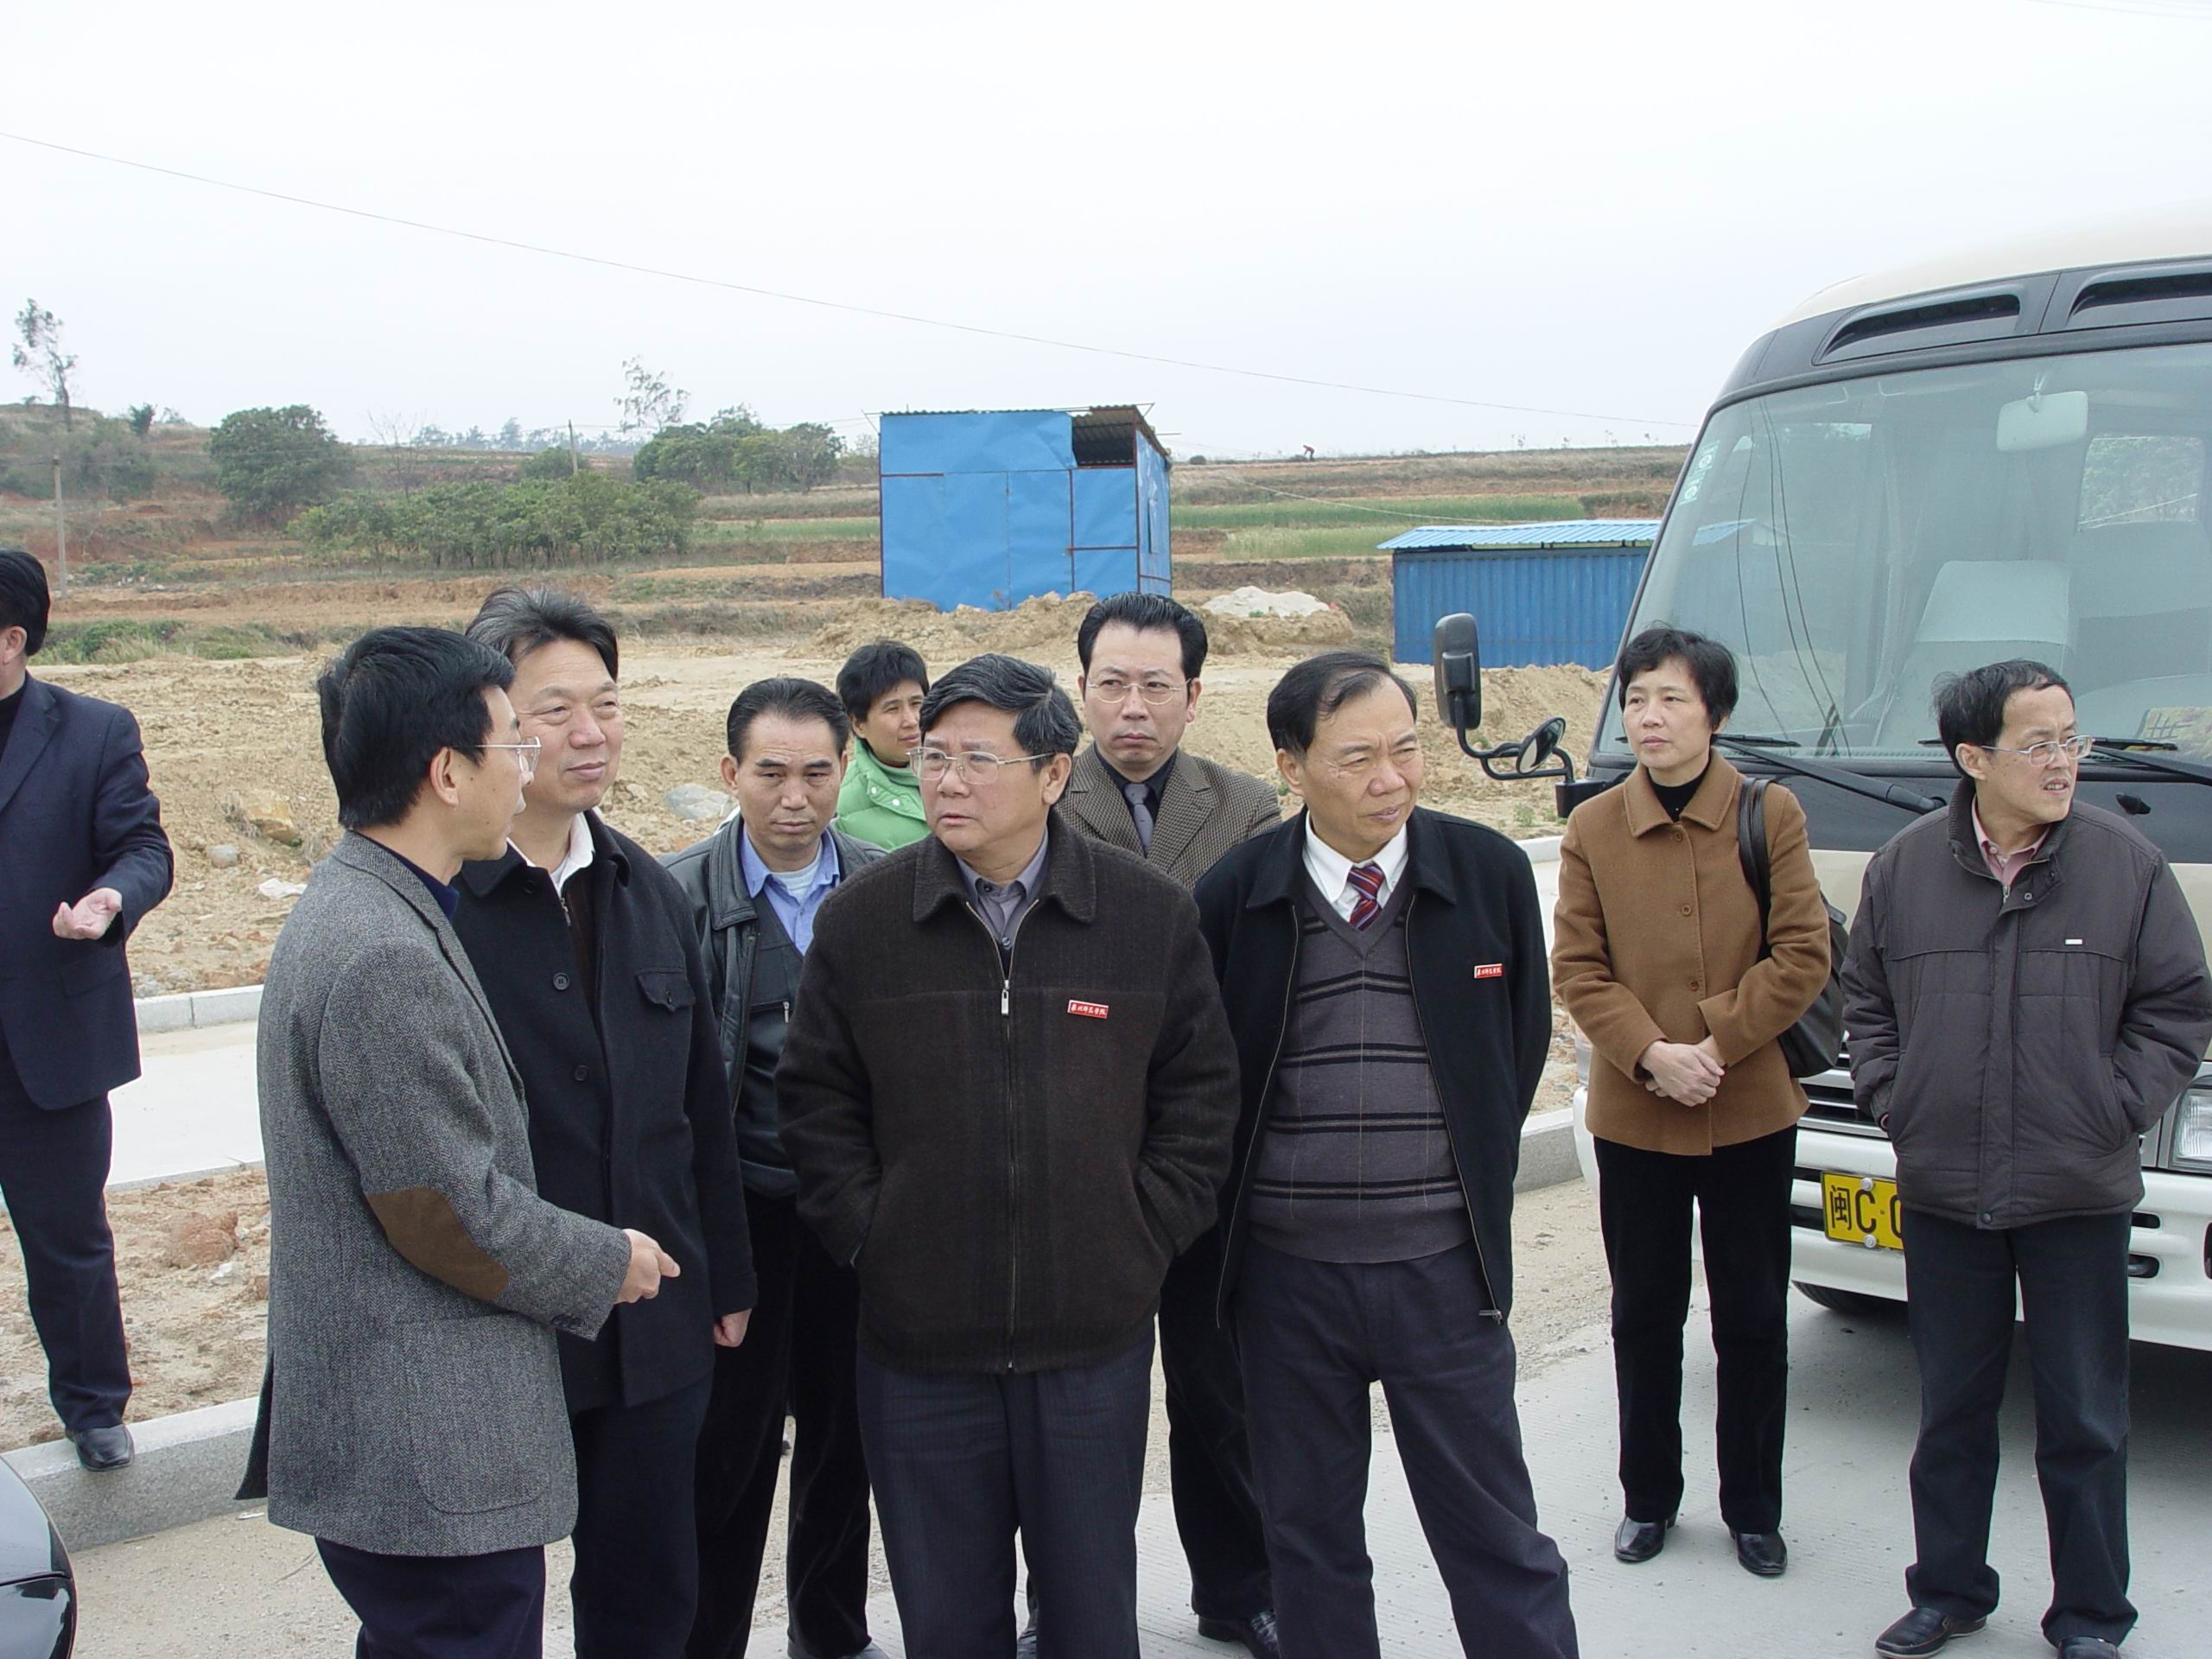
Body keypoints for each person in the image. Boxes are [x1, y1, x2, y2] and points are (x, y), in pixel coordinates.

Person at [779, 653, 1240, 1659]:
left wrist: (1138, 1237)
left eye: (978, 759)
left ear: (1053, 774)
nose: (947, 781)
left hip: (1090, 1344)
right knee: (948, 1621)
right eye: (933, 757)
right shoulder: (863, 920)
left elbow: (1200, 1101)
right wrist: (873, 1237)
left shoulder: (1144, 914)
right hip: (917, 1345)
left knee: (1088, 1616)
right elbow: (815, 1103)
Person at [242, 626, 682, 1659]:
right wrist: (607, 1260)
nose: (527, 769)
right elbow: (443, 1211)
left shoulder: (377, 906)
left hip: (419, 1451)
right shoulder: (380, 953)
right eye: (513, 744)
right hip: (428, 1445)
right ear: (447, 773)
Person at [1192, 649, 1578, 1659]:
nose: (1390, 778)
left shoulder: (1486, 874)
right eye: (1356, 757)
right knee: (1309, 1539)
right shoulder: (1235, 895)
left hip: (1442, 1272)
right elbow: (1210, 1078)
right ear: (1291, 767)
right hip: (1287, 1281)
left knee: (1494, 1531)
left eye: (1405, 750)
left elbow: (1513, 1049)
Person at [1843, 660, 2212, 1659]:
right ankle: (1948, 1591)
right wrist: (1893, 1099)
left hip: (2075, 1190)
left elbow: (2177, 1008)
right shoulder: (1904, 869)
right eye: (2038, 743)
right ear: (1973, 758)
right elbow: (1864, 1003)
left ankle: (2090, 1615)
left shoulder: (2126, 865)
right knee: (1950, 1414)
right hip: (1944, 1190)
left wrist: (2114, 1108)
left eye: (2070, 739)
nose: (2064, 762)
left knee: (2084, 1419)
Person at [449, 588, 757, 1659]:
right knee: (476, 1609)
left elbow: (701, 1105)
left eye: (608, 704)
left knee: (648, 1592)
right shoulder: (435, 903)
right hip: (498, 1321)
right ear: (488, 724)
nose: (590, 734)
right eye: (554, 710)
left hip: (652, 1313)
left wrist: (724, 1280)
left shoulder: (649, 890)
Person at [1550, 626, 1829, 1580]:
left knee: (1750, 1316)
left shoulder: (1769, 813)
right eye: (1635, 699)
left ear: (1715, 712)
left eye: (1670, 698)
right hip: (1636, 1117)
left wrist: (1714, 1045)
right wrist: (1649, 1055)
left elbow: (1802, 953)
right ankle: (1648, 1499)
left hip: (1749, 1108)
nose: (1649, 717)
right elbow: (1577, 969)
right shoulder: (1593, 827)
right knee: (1643, 1314)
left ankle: (1753, 1508)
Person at [1054, 590, 1281, 1657]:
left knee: (1218, 1385)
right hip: (1070, 1144)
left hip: (1204, 1146)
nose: (1132, 708)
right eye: (1112, 684)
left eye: (1156, 686)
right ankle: (1067, 1604)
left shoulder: (1244, 809)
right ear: (1081, 690)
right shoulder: (1037, 797)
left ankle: (1241, 1591)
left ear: (1194, 694)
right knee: (1068, 1403)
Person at [664, 677, 887, 1659]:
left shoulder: (887, 888)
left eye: (815, 774)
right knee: (729, 1448)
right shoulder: (674, 897)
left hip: (852, 1213)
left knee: (847, 1439)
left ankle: (831, 1634)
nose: (794, 799)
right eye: (770, 774)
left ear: (845, 770)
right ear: (730, 774)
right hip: (740, 1213)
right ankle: (706, 1641)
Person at [0, 547, 172, 1471]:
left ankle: (95, 1407)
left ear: (12, 639)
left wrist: (110, 900)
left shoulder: (93, 731)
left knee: (67, 1240)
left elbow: (144, 848)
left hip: (47, 1036)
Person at [832, 639, 929, 849]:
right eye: (893, 709)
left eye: (916, 704)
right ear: (858, 725)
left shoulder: (963, 773)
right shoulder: (840, 808)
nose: (911, 720)